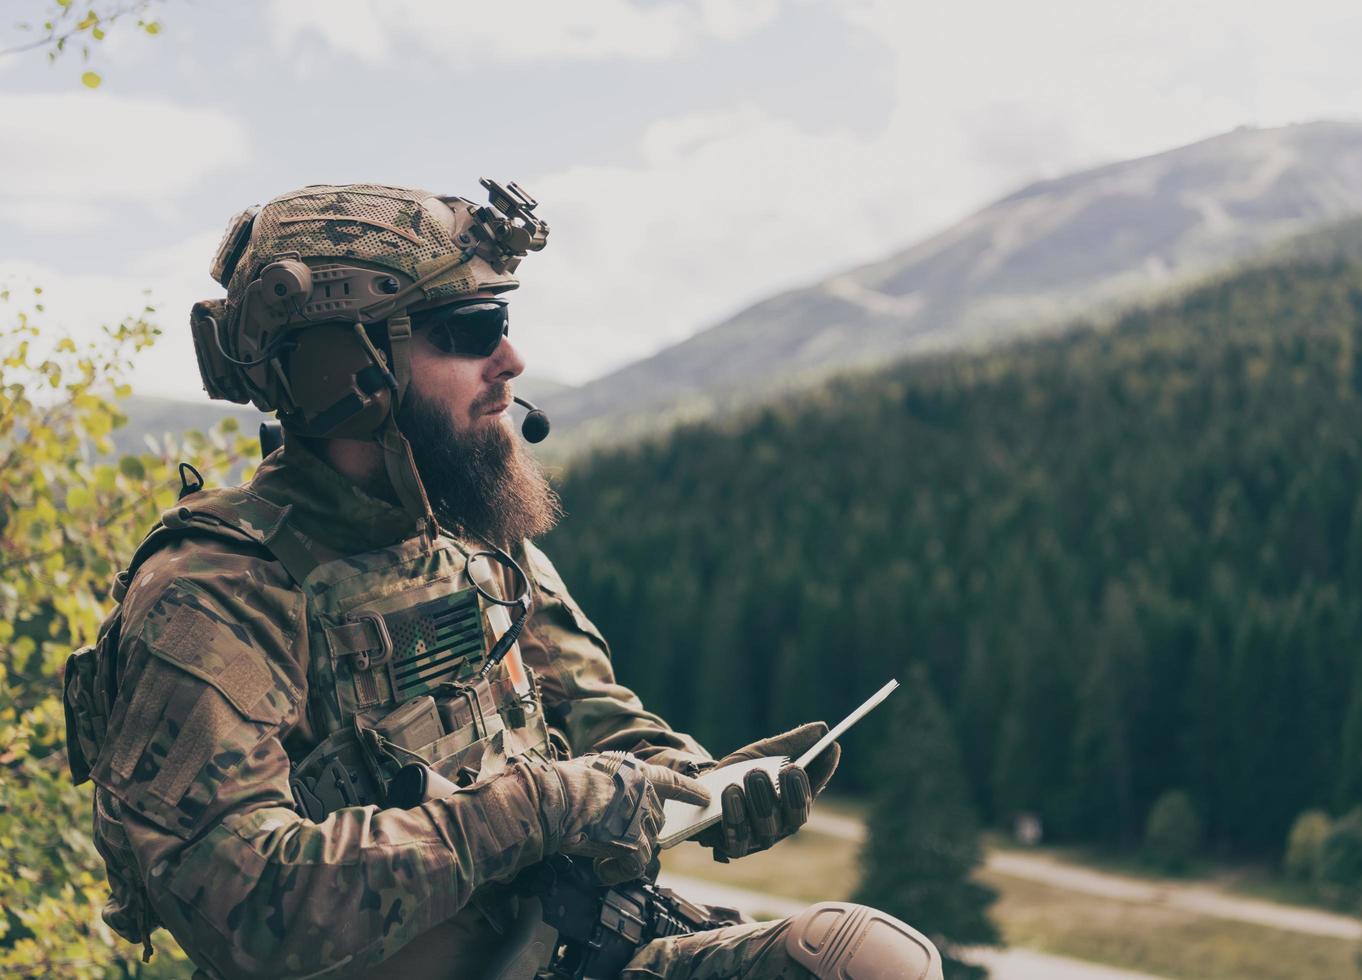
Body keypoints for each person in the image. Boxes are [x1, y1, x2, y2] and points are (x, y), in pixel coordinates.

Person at [63, 179, 941, 979]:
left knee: (863, 961)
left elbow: (603, 721)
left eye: (503, 321)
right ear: (349, 370)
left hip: (581, 944)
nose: (511, 360)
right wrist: (543, 806)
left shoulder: (479, 538)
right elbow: (241, 902)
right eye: (470, 330)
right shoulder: (217, 590)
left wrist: (699, 784)